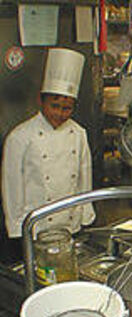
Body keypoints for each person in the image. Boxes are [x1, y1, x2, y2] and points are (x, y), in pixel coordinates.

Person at [2, 48, 94, 241]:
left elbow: (84, 179)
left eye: (67, 108)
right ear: (41, 101)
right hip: (36, 226)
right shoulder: (20, 137)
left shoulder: (78, 133)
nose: (60, 114)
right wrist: (18, 228)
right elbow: (12, 188)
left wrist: (85, 214)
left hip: (71, 224)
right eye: (54, 106)